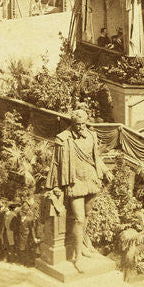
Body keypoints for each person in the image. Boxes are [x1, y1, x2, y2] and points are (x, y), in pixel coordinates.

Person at [48, 108, 111, 271]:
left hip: (91, 179)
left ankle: (83, 245)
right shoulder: (63, 139)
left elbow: (96, 158)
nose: (81, 127)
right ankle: (77, 257)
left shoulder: (91, 135)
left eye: (83, 123)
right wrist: (55, 185)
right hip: (74, 182)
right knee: (79, 219)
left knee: (88, 215)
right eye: (78, 124)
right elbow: (56, 164)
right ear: (72, 123)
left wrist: (105, 170)